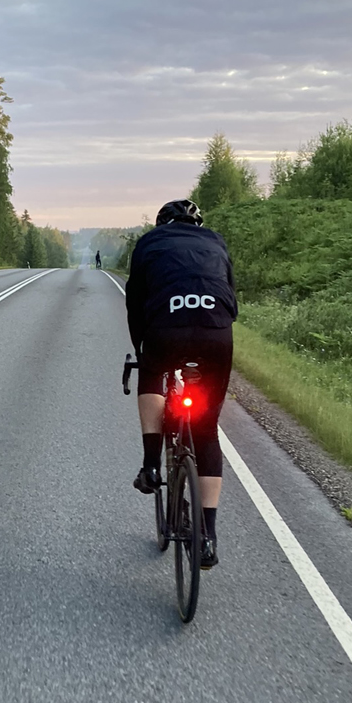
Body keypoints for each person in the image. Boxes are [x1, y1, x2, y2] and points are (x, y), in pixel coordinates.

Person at [124, 198, 237, 569]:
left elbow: (135, 304)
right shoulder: (216, 241)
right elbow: (232, 298)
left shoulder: (148, 244)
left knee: (153, 374)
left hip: (165, 329)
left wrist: (141, 347)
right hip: (216, 332)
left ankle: (151, 465)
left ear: (162, 224)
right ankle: (208, 538)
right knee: (206, 432)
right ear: (197, 224)